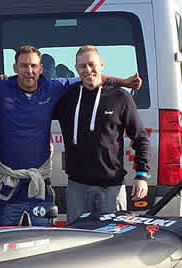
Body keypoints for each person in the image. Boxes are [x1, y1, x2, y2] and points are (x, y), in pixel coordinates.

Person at [0, 45, 141, 226]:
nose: (29, 71)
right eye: (24, 66)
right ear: (15, 67)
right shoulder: (0, 86)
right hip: (7, 185)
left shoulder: (54, 87)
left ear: (41, 68)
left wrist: (123, 82)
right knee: (4, 245)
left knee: (41, 244)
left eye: (34, 66)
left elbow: (92, 75)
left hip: (38, 185)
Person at [54, 45, 149, 222]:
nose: (88, 70)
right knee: (76, 238)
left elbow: (141, 138)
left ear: (102, 65)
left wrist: (142, 175)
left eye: (92, 64)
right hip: (77, 188)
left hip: (112, 188)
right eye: (82, 66)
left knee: (114, 238)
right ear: (76, 69)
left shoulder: (121, 97)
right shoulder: (66, 99)